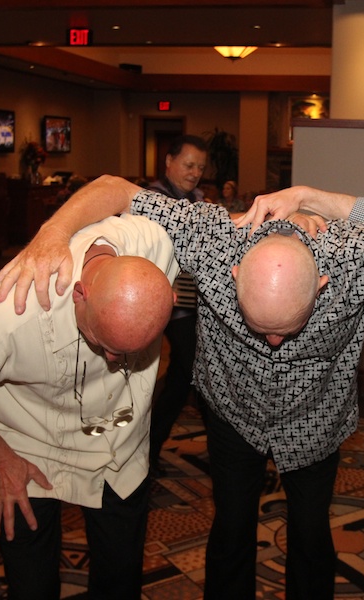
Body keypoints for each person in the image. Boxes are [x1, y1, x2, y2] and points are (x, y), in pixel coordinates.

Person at [0, 177, 364, 600]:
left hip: (318, 418)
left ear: (325, 283)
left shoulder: (356, 254)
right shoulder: (212, 240)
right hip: (231, 411)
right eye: (262, 328)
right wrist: (50, 234)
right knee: (231, 524)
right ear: (231, 276)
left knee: (311, 532)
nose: (277, 344)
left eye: (290, 328)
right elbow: (113, 189)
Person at [0, 213, 179, 600]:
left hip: (119, 442)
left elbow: (113, 187)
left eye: (127, 352)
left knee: (121, 582)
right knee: (31, 586)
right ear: (79, 294)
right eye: (102, 343)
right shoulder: (5, 313)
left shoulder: (154, 242)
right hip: (25, 445)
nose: (112, 360)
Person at [145, 134, 208, 472]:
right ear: (168, 162)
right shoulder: (154, 200)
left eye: (200, 167)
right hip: (166, 302)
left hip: (191, 302)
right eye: (189, 164)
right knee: (194, 372)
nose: (195, 172)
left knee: (183, 378)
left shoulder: (197, 200)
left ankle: (149, 450)